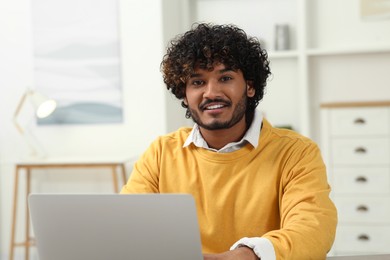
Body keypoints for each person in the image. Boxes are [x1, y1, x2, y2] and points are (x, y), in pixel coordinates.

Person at [121, 23, 337, 260]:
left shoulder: (296, 152)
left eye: (225, 78)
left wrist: (248, 255)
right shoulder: (161, 153)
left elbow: (313, 229)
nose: (211, 92)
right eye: (197, 82)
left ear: (250, 86)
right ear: (184, 93)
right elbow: (129, 226)